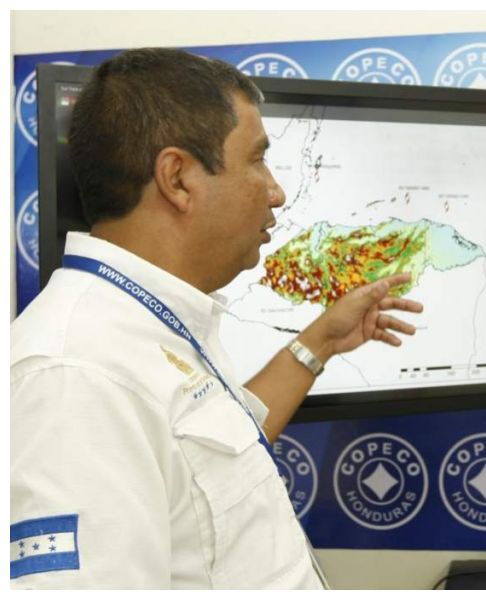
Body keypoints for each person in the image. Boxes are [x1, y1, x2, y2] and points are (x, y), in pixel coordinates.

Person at [10, 48, 423, 589]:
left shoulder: (147, 321)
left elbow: (215, 460)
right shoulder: (74, 376)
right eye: (257, 159)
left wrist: (320, 342)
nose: (275, 191)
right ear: (177, 178)